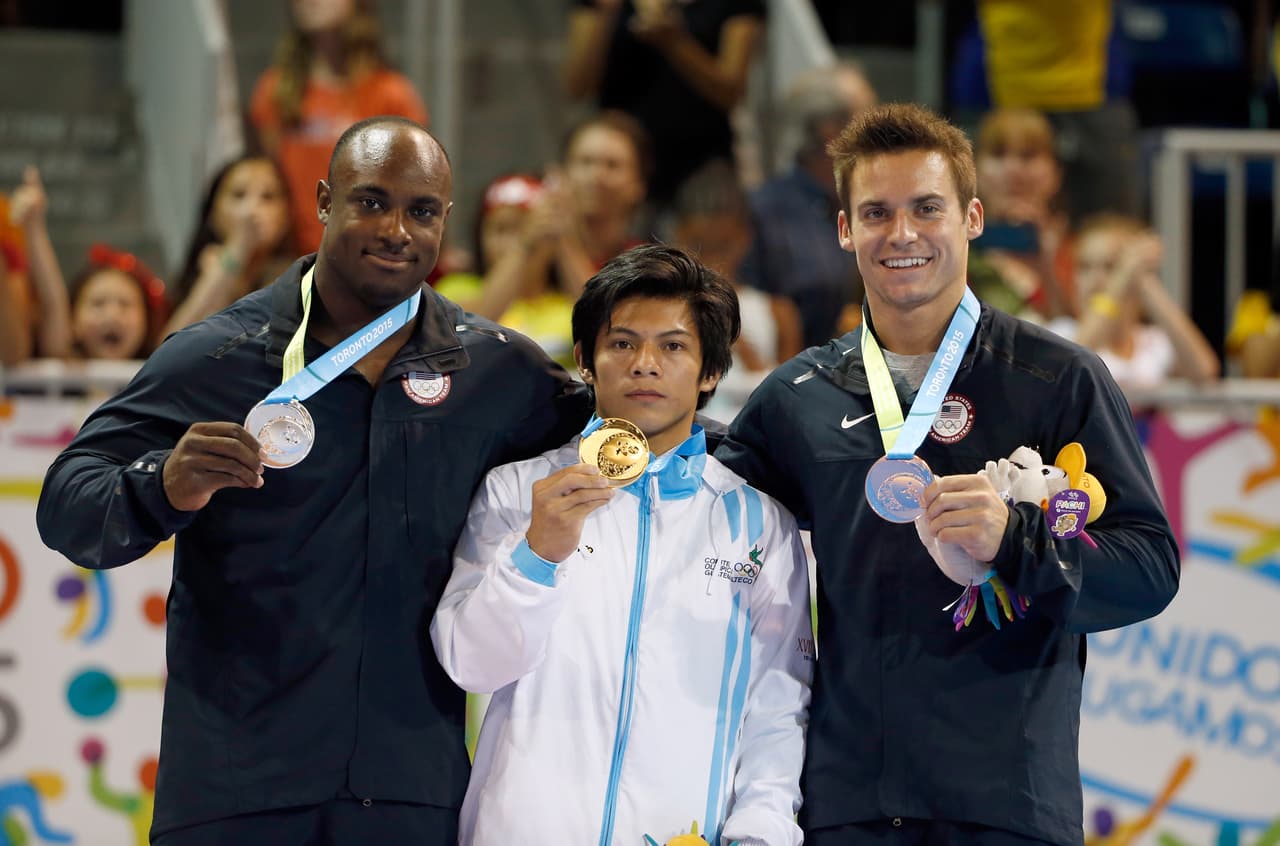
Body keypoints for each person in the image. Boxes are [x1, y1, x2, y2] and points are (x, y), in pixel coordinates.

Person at [36, 116, 589, 845]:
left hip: (407, 792)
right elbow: (67, 503)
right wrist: (162, 484)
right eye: (371, 201)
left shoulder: (491, 369)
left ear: (446, 221)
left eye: (422, 210)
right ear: (325, 202)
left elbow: (628, 441)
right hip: (235, 789)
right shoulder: (218, 357)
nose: (396, 228)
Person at [716, 103, 1179, 846]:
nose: (902, 235)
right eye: (876, 213)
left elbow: (1149, 569)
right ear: (845, 230)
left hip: (1006, 803)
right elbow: (702, 518)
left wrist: (1019, 538)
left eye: (926, 208)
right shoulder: (797, 399)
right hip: (849, 803)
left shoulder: (1056, 381)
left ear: (971, 217)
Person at [431, 244, 812, 845]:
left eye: (674, 346)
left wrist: (762, 830)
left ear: (713, 370)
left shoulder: (758, 524)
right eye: (623, 343)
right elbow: (471, 663)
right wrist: (536, 556)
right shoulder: (517, 492)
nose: (645, 364)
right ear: (586, 360)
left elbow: (777, 703)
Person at [250, 0, 429, 252]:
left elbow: (415, 187)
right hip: (293, 257)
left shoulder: (392, 94)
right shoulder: (276, 91)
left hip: (368, 254)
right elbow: (267, 184)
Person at [564, 0, 765, 209]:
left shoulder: (730, 6)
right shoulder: (604, 4)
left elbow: (730, 92)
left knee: (702, 236)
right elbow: (577, 86)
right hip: (623, 160)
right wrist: (606, 13)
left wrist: (674, 42)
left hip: (701, 160)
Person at [742, 62, 875, 348]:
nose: (880, 133)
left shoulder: (880, 202)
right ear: (831, 130)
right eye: (868, 118)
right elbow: (748, 310)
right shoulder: (766, 210)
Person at [672, 160, 802, 423]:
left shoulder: (777, 311)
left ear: (744, 238)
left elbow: (790, 400)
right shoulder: (664, 307)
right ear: (680, 235)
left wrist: (734, 339)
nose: (710, 260)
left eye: (722, 247)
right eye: (699, 246)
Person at [1046, 213, 1220, 389]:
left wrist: (1146, 282)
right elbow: (1074, 364)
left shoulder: (1152, 340)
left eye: (1110, 266)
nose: (1095, 279)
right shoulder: (1062, 331)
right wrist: (1119, 281)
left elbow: (1204, 372)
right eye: (1084, 267)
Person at [163, 155, 294, 335]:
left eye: (268, 197)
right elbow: (171, 349)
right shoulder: (203, 273)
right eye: (239, 195)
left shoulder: (304, 278)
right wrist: (233, 256)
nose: (252, 209)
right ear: (213, 213)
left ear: (286, 215)